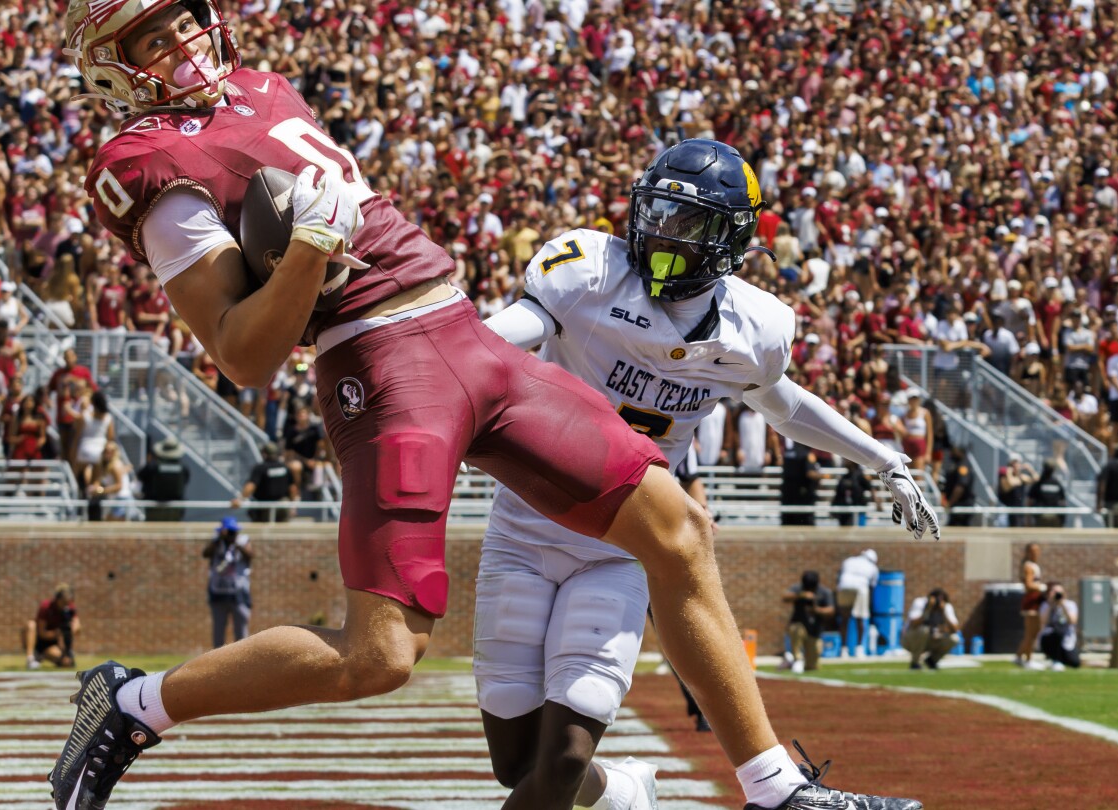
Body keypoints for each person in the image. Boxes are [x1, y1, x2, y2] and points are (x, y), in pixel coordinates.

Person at [50, 9, 934, 810]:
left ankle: (776, 792)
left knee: (677, 526)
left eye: (183, 23)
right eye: (152, 42)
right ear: (116, 70)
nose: (183, 46)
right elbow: (242, 354)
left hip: (461, 328)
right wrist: (311, 252)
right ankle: (132, 704)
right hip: (383, 367)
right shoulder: (149, 171)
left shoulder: (261, 86)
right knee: (382, 657)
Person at [473, 140, 939, 810]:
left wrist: (881, 456)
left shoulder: (756, 328)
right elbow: (498, 339)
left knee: (566, 754)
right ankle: (622, 792)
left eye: (688, 222)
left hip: (621, 546)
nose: (664, 232)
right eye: (659, 210)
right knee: (518, 764)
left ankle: (739, 786)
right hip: (524, 527)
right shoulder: (589, 273)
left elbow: (784, 406)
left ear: (730, 240)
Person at [203, 517, 252, 649]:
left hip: (239, 593)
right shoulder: (217, 543)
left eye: (232, 531)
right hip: (218, 592)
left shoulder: (242, 542)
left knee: (241, 632)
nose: (229, 534)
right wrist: (219, 539)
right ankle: (217, 662)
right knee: (218, 632)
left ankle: (242, 659)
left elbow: (250, 555)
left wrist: (235, 543)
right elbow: (205, 553)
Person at [782, 571, 836, 674]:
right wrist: (800, 596)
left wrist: (817, 610)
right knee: (795, 628)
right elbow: (784, 597)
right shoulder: (799, 589)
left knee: (812, 667)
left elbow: (831, 610)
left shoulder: (824, 592)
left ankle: (790, 662)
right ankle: (797, 659)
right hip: (800, 626)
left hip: (815, 631)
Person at [231, 441, 296, 523]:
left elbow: (251, 486)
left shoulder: (260, 468)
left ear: (264, 454)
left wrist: (240, 500)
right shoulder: (284, 467)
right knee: (281, 531)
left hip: (265, 508)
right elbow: (293, 489)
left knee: (265, 531)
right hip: (283, 507)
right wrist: (293, 507)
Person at [901, 589, 961, 670]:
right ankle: (915, 662)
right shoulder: (920, 603)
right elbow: (913, 624)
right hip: (911, 640)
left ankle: (932, 660)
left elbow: (955, 629)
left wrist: (943, 612)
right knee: (924, 630)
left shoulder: (946, 606)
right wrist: (928, 609)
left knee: (954, 638)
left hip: (932, 640)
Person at [835, 549, 880, 654]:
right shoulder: (873, 568)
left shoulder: (849, 560)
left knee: (844, 619)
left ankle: (843, 649)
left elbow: (839, 576)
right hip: (861, 588)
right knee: (860, 619)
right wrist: (870, 605)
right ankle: (859, 648)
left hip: (844, 586)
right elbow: (872, 587)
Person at [26, 584, 81, 670]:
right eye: (63, 602)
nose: (65, 605)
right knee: (31, 624)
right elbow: (41, 633)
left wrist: (72, 629)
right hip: (39, 640)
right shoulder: (46, 606)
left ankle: (45, 656)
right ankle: (30, 659)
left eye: (67, 602)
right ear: (57, 599)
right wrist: (56, 633)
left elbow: (77, 627)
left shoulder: (69, 608)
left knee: (65, 662)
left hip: (53, 644)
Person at [136, 437, 190, 521]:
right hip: (175, 509)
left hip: (153, 508)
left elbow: (140, 476)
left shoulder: (152, 466)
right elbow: (186, 481)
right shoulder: (183, 468)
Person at [1016, 543, 1046, 670]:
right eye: (1032, 551)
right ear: (1028, 552)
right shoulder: (1028, 566)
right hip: (1031, 600)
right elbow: (1028, 585)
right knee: (1031, 632)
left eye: (1037, 550)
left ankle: (1019, 656)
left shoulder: (1034, 565)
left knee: (1035, 631)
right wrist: (1042, 587)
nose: (1035, 553)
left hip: (1036, 600)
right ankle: (1028, 659)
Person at [1037, 583, 1081, 670]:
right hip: (1048, 638)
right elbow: (1043, 621)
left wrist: (1062, 605)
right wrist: (1051, 605)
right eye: (1054, 591)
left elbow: (1072, 621)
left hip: (1067, 640)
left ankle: (1057, 660)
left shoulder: (1070, 604)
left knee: (1075, 662)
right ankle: (1055, 660)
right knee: (1057, 632)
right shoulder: (1045, 605)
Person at [942, 445, 977, 526]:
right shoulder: (956, 464)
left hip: (962, 507)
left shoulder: (963, 466)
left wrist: (949, 503)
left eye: (954, 450)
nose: (951, 453)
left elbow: (960, 488)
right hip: (957, 506)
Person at [1027, 461, 1068, 527]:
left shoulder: (1038, 484)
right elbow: (1063, 502)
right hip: (1051, 517)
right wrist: (1062, 520)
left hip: (1043, 517)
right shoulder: (1057, 483)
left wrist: (1028, 521)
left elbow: (1029, 502)